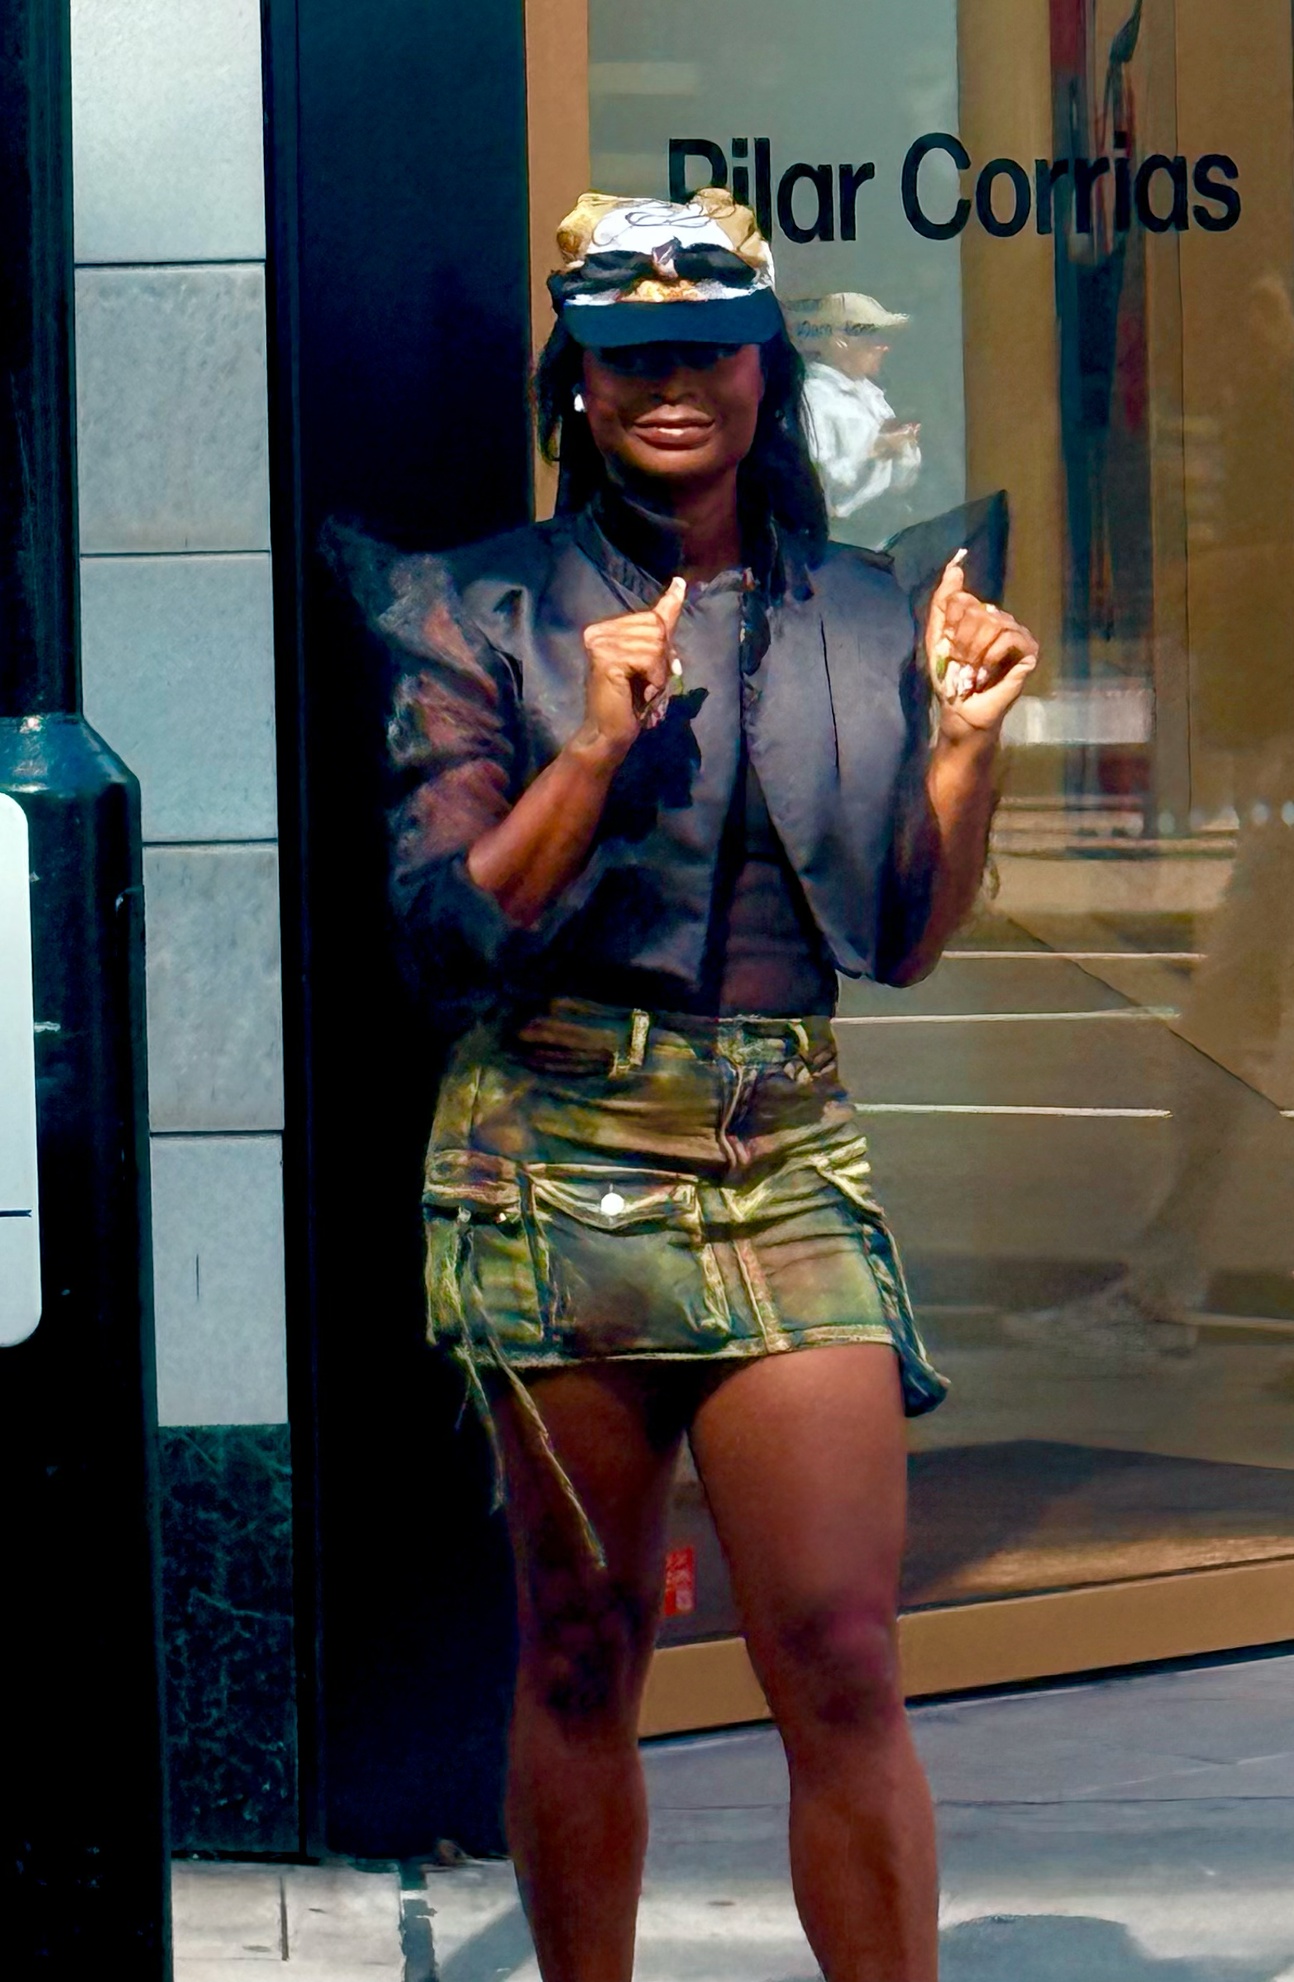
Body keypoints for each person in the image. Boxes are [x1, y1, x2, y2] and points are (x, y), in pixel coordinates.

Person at [364, 190, 1038, 1982]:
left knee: (838, 1639)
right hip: (554, 1145)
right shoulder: (479, 606)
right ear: (576, 383)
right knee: (584, 1642)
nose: (671, 382)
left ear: (764, 369)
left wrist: (964, 754)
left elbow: (900, 936)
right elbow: (442, 938)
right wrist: (589, 743)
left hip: (783, 1145)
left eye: (707, 350)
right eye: (628, 354)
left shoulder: (871, 606)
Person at [793, 291, 924, 534]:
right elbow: (820, 487)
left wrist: (903, 447)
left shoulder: (871, 395)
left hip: (886, 535)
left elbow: (901, 483)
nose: (883, 347)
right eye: (872, 337)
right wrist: (878, 451)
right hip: (844, 543)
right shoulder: (814, 398)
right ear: (840, 341)